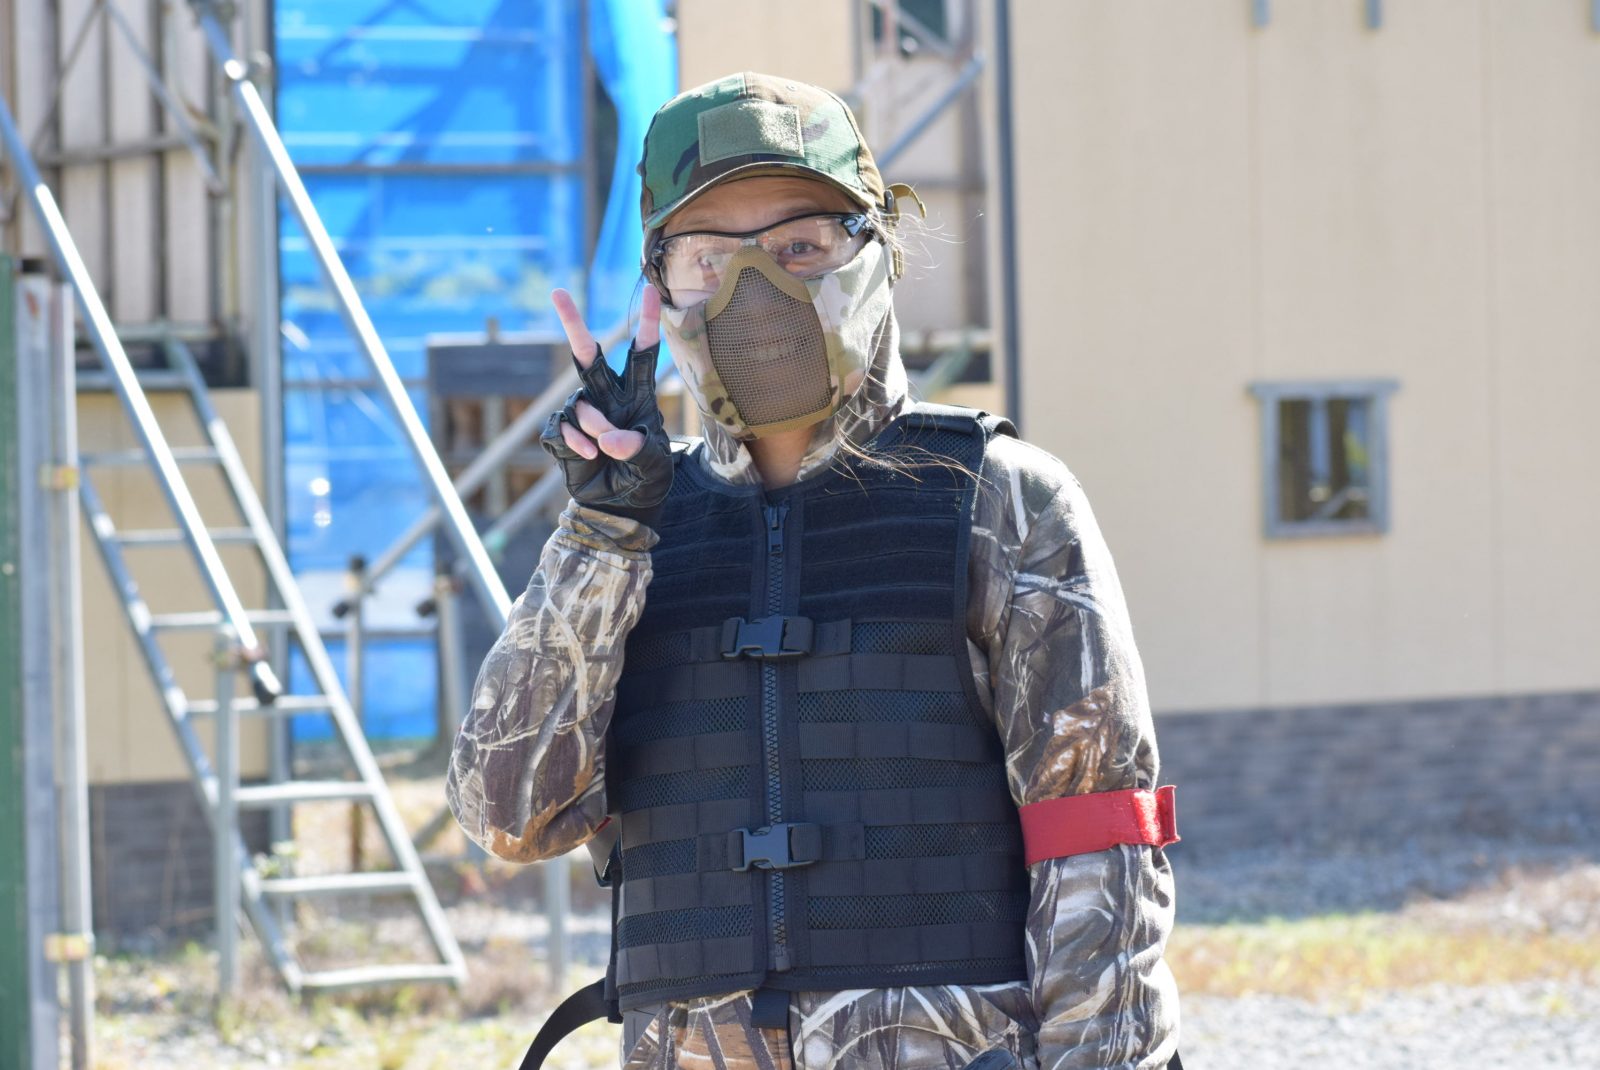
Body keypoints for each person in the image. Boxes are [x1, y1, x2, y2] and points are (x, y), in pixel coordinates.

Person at [448, 72, 1181, 1070]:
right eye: (710, 257)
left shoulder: (1004, 502)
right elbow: (508, 815)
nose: (758, 291)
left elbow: (1099, 850)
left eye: (799, 246)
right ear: (661, 285)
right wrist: (602, 537)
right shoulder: (629, 535)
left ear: (874, 250)